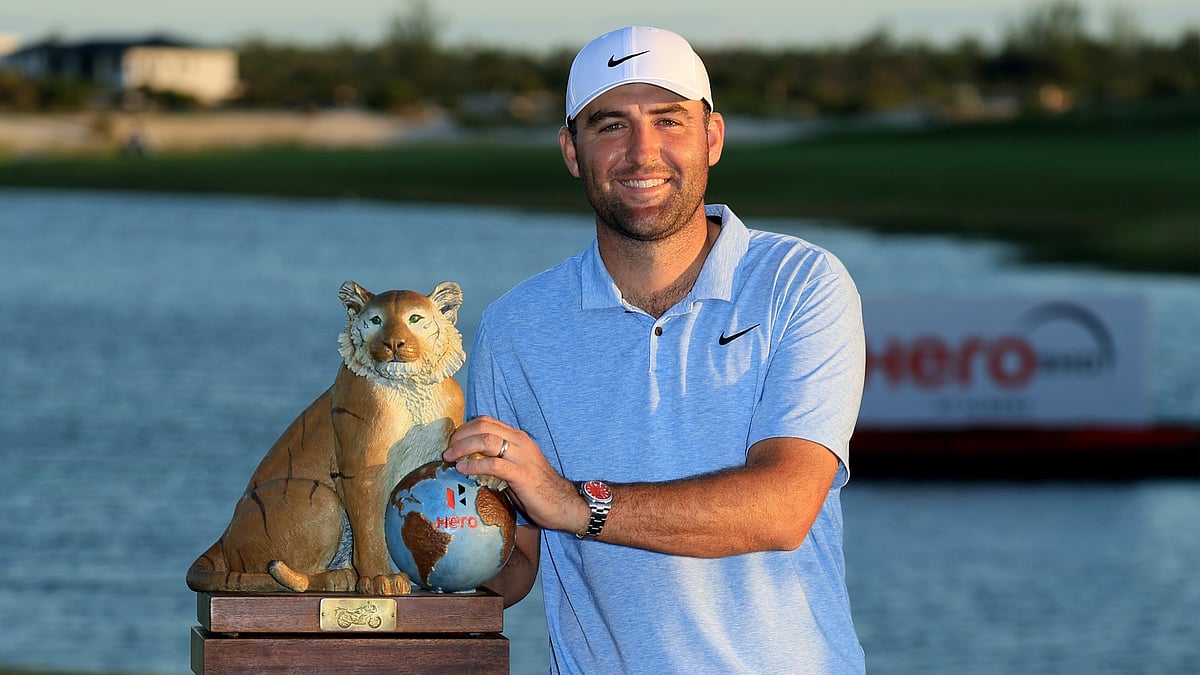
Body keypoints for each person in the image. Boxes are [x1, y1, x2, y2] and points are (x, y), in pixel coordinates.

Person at [445, 25, 867, 674]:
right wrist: (422, 548)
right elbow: (516, 560)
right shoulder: (516, 325)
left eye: (668, 120)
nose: (643, 152)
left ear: (713, 138)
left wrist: (574, 502)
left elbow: (784, 506)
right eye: (610, 125)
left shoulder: (799, 283)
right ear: (571, 151)